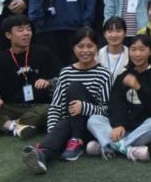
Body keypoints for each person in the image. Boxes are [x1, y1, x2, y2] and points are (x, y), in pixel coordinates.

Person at [22, 27, 112, 174]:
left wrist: (84, 107)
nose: (85, 51)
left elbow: (107, 111)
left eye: (90, 46)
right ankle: (42, 155)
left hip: (90, 128)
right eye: (80, 46)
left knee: (75, 87)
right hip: (68, 124)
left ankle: (76, 140)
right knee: (65, 122)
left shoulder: (104, 74)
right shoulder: (66, 72)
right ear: (73, 48)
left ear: (97, 48)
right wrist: (52, 132)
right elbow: (56, 106)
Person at [0, 14, 59, 138]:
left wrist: (49, 82)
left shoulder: (44, 53)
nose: (26, 33)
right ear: (8, 35)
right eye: (20, 30)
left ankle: (1, 125)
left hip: (39, 106)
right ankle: (16, 126)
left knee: (51, 109)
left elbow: (62, 78)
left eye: (28, 29)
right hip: (10, 107)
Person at [86, 33, 151, 161]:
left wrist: (138, 87)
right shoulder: (123, 76)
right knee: (94, 119)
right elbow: (115, 103)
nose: (137, 54)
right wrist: (120, 124)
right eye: (133, 49)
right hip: (121, 129)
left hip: (142, 130)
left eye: (142, 49)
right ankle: (128, 149)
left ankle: (107, 145)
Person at [98, 17, 130, 84]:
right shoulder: (97, 55)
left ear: (125, 33)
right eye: (110, 31)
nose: (114, 35)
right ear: (104, 34)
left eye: (118, 31)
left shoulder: (130, 54)